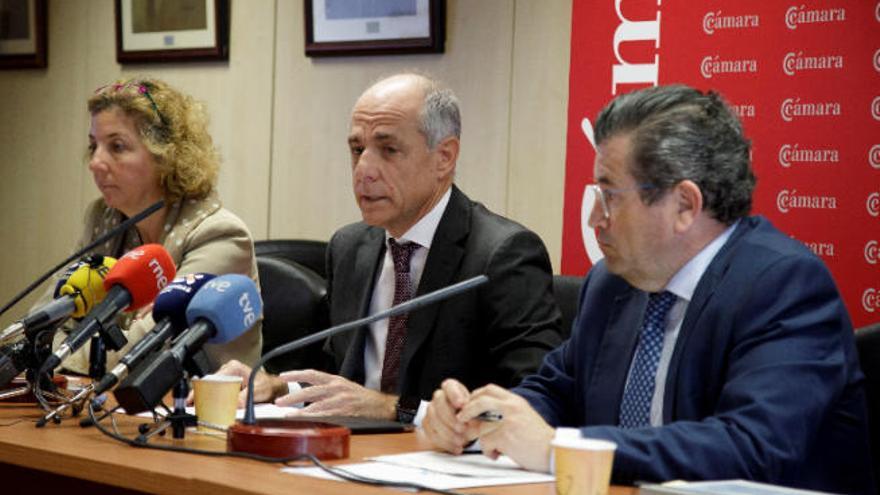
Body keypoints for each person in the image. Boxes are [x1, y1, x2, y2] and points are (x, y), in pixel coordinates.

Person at [422, 85, 874, 493]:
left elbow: (750, 446)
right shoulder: (613, 283)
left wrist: (561, 448)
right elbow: (556, 391)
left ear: (684, 205)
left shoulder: (783, 285)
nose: (594, 219)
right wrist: (482, 419)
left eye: (610, 196)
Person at [219, 73, 562, 424]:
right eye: (357, 150)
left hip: (445, 465)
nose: (363, 170)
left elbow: (533, 405)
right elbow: (339, 379)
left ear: (444, 156)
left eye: (388, 150)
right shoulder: (350, 247)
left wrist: (396, 408)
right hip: (348, 456)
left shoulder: (502, 256)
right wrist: (280, 389)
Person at [35, 77, 262, 375]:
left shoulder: (219, 236)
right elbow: (41, 322)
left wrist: (52, 356)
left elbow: (140, 355)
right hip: (104, 404)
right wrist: (41, 347)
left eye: (117, 146)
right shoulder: (105, 219)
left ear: (166, 157)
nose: (95, 162)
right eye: (94, 146)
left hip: (196, 410)